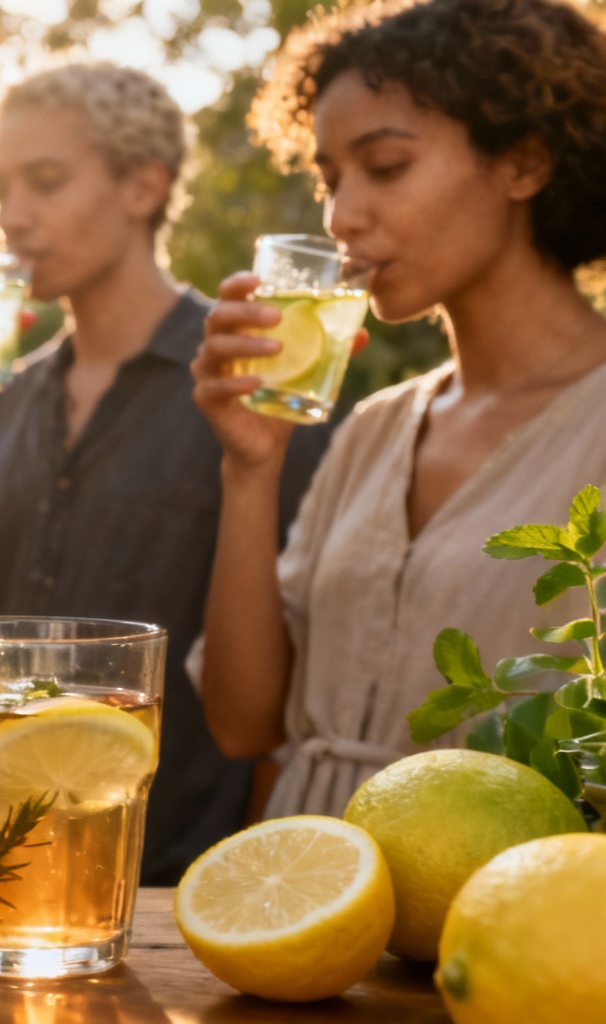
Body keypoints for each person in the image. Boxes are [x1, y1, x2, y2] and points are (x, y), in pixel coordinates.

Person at [0, 64, 329, 884]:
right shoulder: (3, 402)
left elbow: (286, 692)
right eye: (0, 188)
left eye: (45, 183)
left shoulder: (243, 387)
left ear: (142, 188)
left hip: (179, 878)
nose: (13, 216)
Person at [192, 0, 606, 817]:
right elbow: (243, 725)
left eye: (383, 168)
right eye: (329, 179)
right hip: (315, 905)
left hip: (509, 918)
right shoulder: (376, 427)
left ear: (523, 163)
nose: (341, 217)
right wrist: (250, 467)